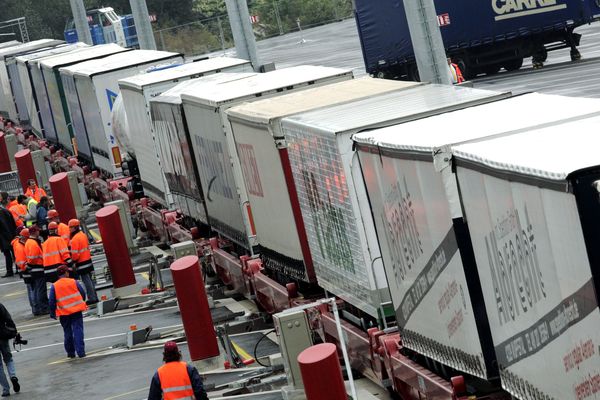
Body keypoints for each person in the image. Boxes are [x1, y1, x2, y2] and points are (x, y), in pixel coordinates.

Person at [48, 265, 87, 359]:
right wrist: (82, 301)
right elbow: (82, 292)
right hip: (76, 311)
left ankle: (70, 352)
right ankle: (81, 352)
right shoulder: (73, 281)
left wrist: (52, 313)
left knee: (67, 331)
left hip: (64, 313)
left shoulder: (55, 286)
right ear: (65, 273)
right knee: (78, 330)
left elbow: (51, 301)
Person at [68, 219, 98, 305]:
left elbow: (75, 255)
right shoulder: (83, 235)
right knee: (90, 280)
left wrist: (73, 262)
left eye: (71, 227)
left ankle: (92, 298)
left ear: (75, 227)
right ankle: (94, 296)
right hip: (88, 260)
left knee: (86, 281)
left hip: (81, 263)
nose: (69, 229)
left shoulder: (74, 239)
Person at [25, 226, 47, 315]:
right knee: (41, 289)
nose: (39, 232)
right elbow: (33, 257)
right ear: (35, 232)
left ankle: (41, 307)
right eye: (38, 231)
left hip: (35, 268)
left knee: (38, 288)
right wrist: (31, 263)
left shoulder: (29, 242)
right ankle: (43, 307)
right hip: (37, 268)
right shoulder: (33, 243)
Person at [12, 228, 34, 315]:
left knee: (30, 288)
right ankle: (35, 307)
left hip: (23, 269)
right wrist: (27, 267)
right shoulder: (20, 246)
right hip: (25, 269)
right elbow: (22, 259)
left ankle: (34, 306)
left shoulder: (17, 244)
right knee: (32, 288)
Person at [0, 303, 20, 397]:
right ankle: (13, 376)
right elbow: (8, 318)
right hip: (2, 335)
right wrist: (13, 330)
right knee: (8, 358)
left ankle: (5, 388)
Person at [0, 199, 16, 278]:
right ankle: (18, 268)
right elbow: (13, 223)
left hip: (3, 237)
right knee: (14, 253)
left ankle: (9, 271)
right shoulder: (6, 211)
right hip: (12, 235)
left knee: (7, 254)